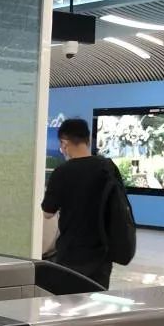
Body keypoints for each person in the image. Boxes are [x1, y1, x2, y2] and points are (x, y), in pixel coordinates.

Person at [41, 117, 121, 289]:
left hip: (72, 253)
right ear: (87, 139)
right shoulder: (108, 167)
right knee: (95, 298)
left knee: (68, 300)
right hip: (102, 253)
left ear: (64, 143)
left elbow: (48, 212)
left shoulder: (62, 172)